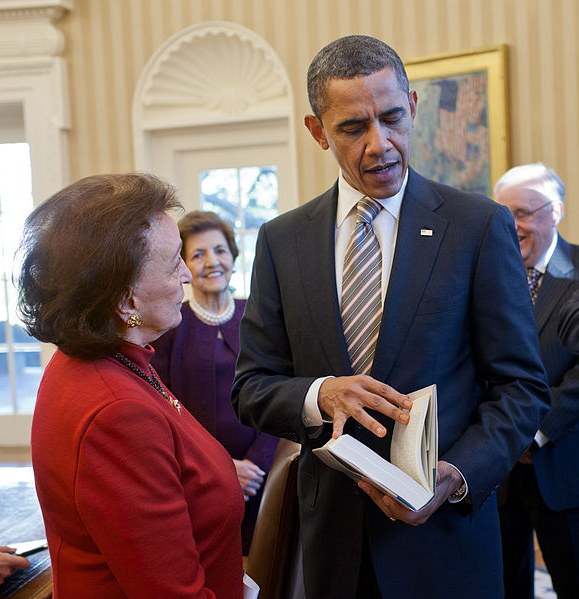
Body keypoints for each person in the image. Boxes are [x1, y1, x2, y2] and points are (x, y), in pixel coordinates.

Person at [231, 35, 550, 599]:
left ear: (415, 108)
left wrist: (453, 476)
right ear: (317, 130)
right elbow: (252, 387)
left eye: (393, 118)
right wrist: (321, 394)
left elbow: (521, 387)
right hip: (332, 549)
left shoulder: (476, 227)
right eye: (353, 128)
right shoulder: (283, 241)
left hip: (448, 543)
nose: (381, 144)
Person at [16, 173, 244, 598]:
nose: (186, 276)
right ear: (125, 300)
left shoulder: (113, 357)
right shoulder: (117, 411)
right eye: (175, 260)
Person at [151, 210, 278, 555]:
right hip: (199, 479)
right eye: (197, 254)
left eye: (220, 250)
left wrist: (256, 465)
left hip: (265, 476)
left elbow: (279, 390)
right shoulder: (171, 328)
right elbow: (166, 408)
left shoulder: (260, 316)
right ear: (183, 267)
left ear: (233, 257)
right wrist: (222, 469)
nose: (212, 262)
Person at [494, 162, 579, 599]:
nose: (513, 225)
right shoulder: (488, 276)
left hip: (562, 466)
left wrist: (536, 431)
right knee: (505, 586)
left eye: (524, 212)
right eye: (503, 213)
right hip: (499, 471)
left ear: (556, 211)